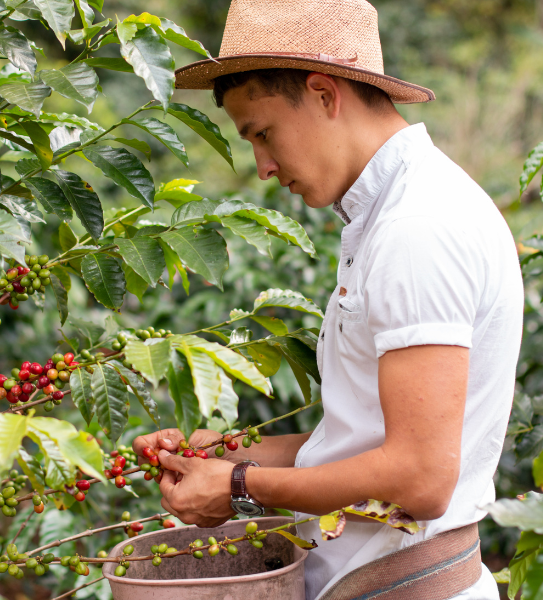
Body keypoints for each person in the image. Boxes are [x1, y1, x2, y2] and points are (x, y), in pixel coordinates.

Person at [132, 0, 524, 598]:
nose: (262, 165)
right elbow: (359, 444)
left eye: (262, 133)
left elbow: (419, 479)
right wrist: (224, 454)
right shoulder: (391, 213)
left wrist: (239, 484)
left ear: (323, 94)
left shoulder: (417, 226)